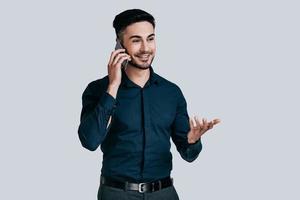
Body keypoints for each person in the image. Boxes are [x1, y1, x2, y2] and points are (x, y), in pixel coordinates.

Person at [78, 9, 220, 200]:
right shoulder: (98, 90)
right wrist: (113, 86)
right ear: (119, 45)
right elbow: (89, 141)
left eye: (150, 38)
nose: (146, 48)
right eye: (136, 40)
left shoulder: (171, 92)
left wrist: (192, 141)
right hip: (116, 194)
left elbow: (189, 155)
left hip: (164, 193)